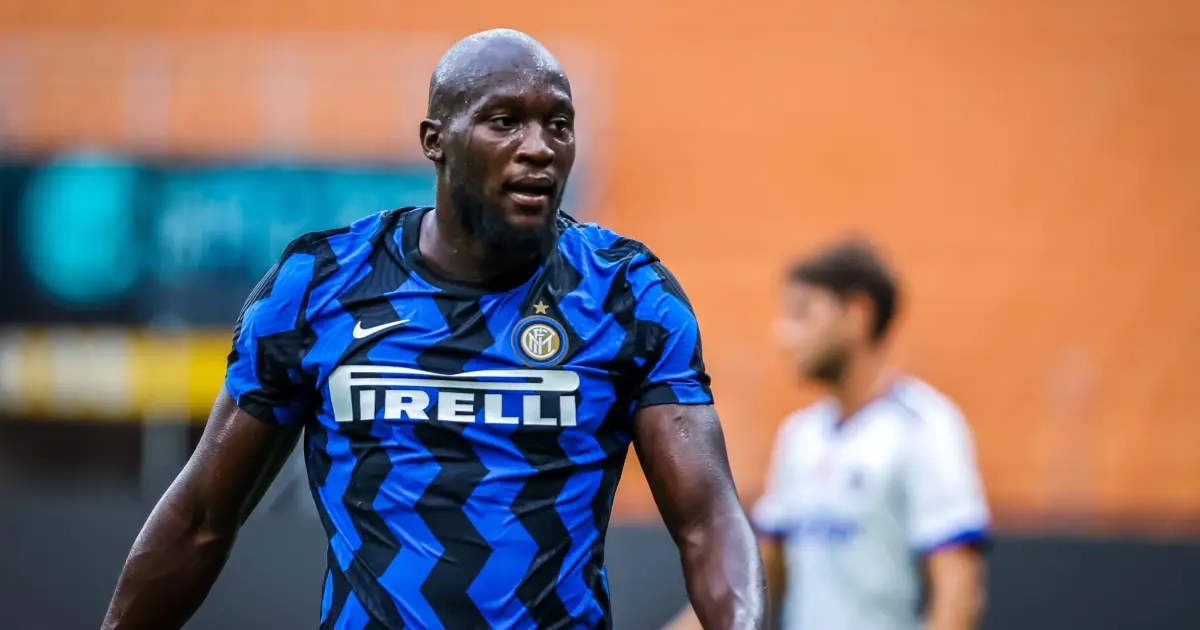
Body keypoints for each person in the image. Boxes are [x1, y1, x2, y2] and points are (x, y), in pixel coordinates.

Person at [100, 29, 765, 630]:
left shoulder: (625, 292)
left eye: (559, 125)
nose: (539, 147)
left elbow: (707, 523)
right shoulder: (320, 285)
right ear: (435, 140)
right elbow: (200, 522)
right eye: (504, 121)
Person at [665, 239, 989, 630]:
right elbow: (757, 578)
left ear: (857, 314)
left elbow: (958, 593)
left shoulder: (925, 427)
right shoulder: (800, 435)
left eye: (802, 313)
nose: (783, 334)